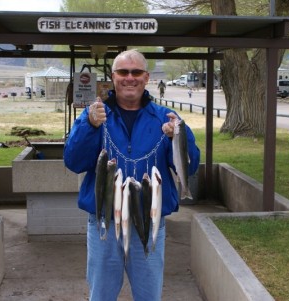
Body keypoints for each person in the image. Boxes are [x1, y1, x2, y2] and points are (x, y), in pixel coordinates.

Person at [63, 49, 200, 301]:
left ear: (146, 77)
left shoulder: (166, 118)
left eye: (136, 72)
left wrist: (178, 136)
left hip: (150, 219)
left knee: (149, 295)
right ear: (113, 76)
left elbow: (189, 166)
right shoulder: (96, 114)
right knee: (101, 294)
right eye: (123, 72)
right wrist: (89, 126)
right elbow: (73, 161)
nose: (130, 78)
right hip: (104, 219)